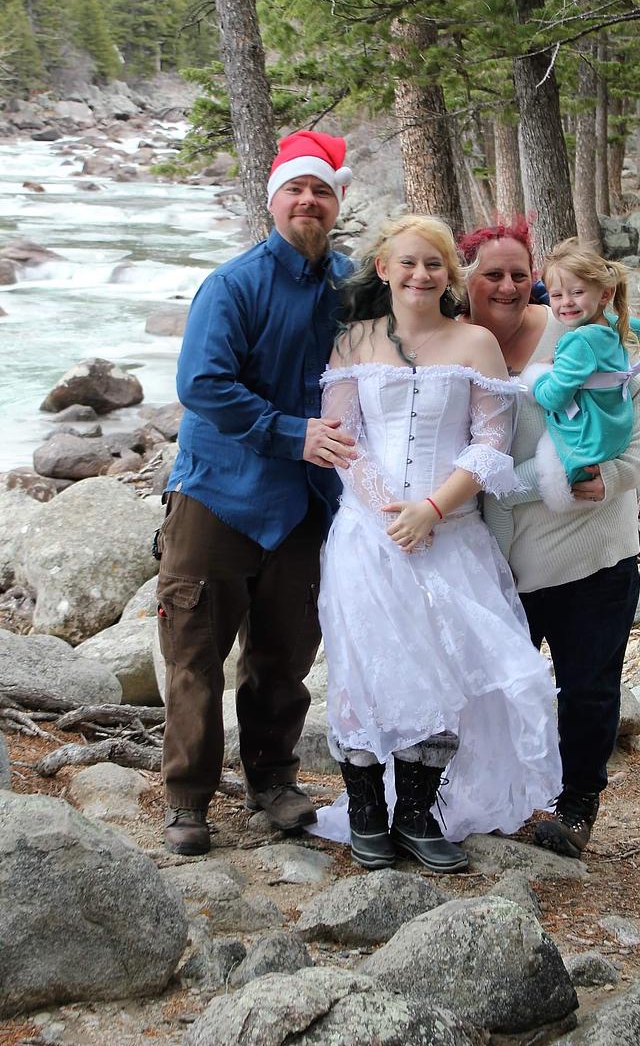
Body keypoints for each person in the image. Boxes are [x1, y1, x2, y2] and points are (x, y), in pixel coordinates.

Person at [311, 214, 561, 874]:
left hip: (451, 533)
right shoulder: (354, 342)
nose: (421, 274)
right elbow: (341, 439)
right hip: (368, 536)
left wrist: (431, 509)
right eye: (409, 262)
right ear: (384, 268)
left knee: (445, 670)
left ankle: (419, 814)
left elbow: (490, 442)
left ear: (450, 274)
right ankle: (367, 812)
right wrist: (388, 514)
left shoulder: (475, 343)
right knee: (366, 667)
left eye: (434, 264)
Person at [155, 130, 357, 856]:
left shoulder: (352, 285)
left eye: (321, 190)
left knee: (285, 654)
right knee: (195, 651)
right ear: (273, 200)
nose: (308, 201)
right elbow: (202, 384)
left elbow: (428, 304)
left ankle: (272, 782)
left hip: (307, 501)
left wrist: (539, 300)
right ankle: (187, 799)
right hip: (220, 494)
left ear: (336, 204)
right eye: (295, 189)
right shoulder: (233, 285)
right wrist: (290, 433)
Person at [461, 220, 640, 859]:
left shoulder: (576, 332)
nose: (507, 286)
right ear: (465, 279)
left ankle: (577, 804)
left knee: (587, 689)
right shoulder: (452, 343)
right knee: (492, 688)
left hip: (589, 551)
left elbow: (637, 397)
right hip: (493, 559)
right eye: (492, 274)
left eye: (519, 275)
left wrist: (616, 476)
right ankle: (496, 794)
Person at [527, 240, 640, 513]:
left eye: (577, 292)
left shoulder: (578, 341)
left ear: (605, 294)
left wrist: (537, 377)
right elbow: (637, 326)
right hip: (610, 437)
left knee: (502, 497)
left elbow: (555, 398)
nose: (566, 302)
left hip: (583, 449)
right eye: (556, 295)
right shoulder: (614, 326)